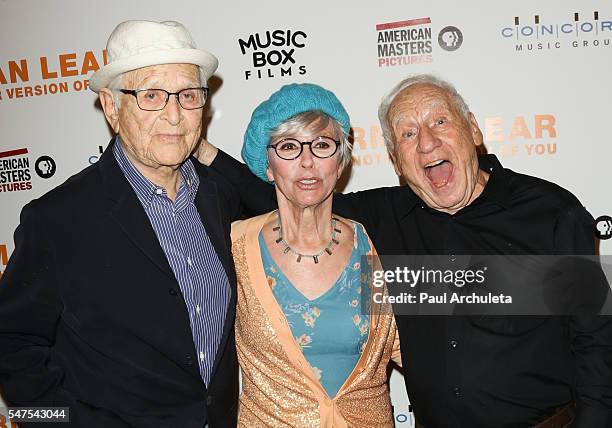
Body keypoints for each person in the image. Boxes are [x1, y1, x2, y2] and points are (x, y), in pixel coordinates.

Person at [198, 74, 612, 427]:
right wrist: (197, 149)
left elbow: (597, 343)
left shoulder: (550, 212)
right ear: (396, 160)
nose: (427, 143)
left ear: (473, 129)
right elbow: (294, 190)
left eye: (440, 121)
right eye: (408, 134)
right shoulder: (381, 220)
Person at [0, 20, 239, 427]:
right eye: (151, 96)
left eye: (188, 95)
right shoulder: (58, 220)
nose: (174, 114)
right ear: (112, 108)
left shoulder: (223, 197)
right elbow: (10, 345)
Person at [224, 83, 401, 427]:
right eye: (289, 147)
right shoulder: (232, 246)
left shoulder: (376, 245)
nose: (307, 162)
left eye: (322, 145)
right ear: (268, 166)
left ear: (340, 163)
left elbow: (416, 347)